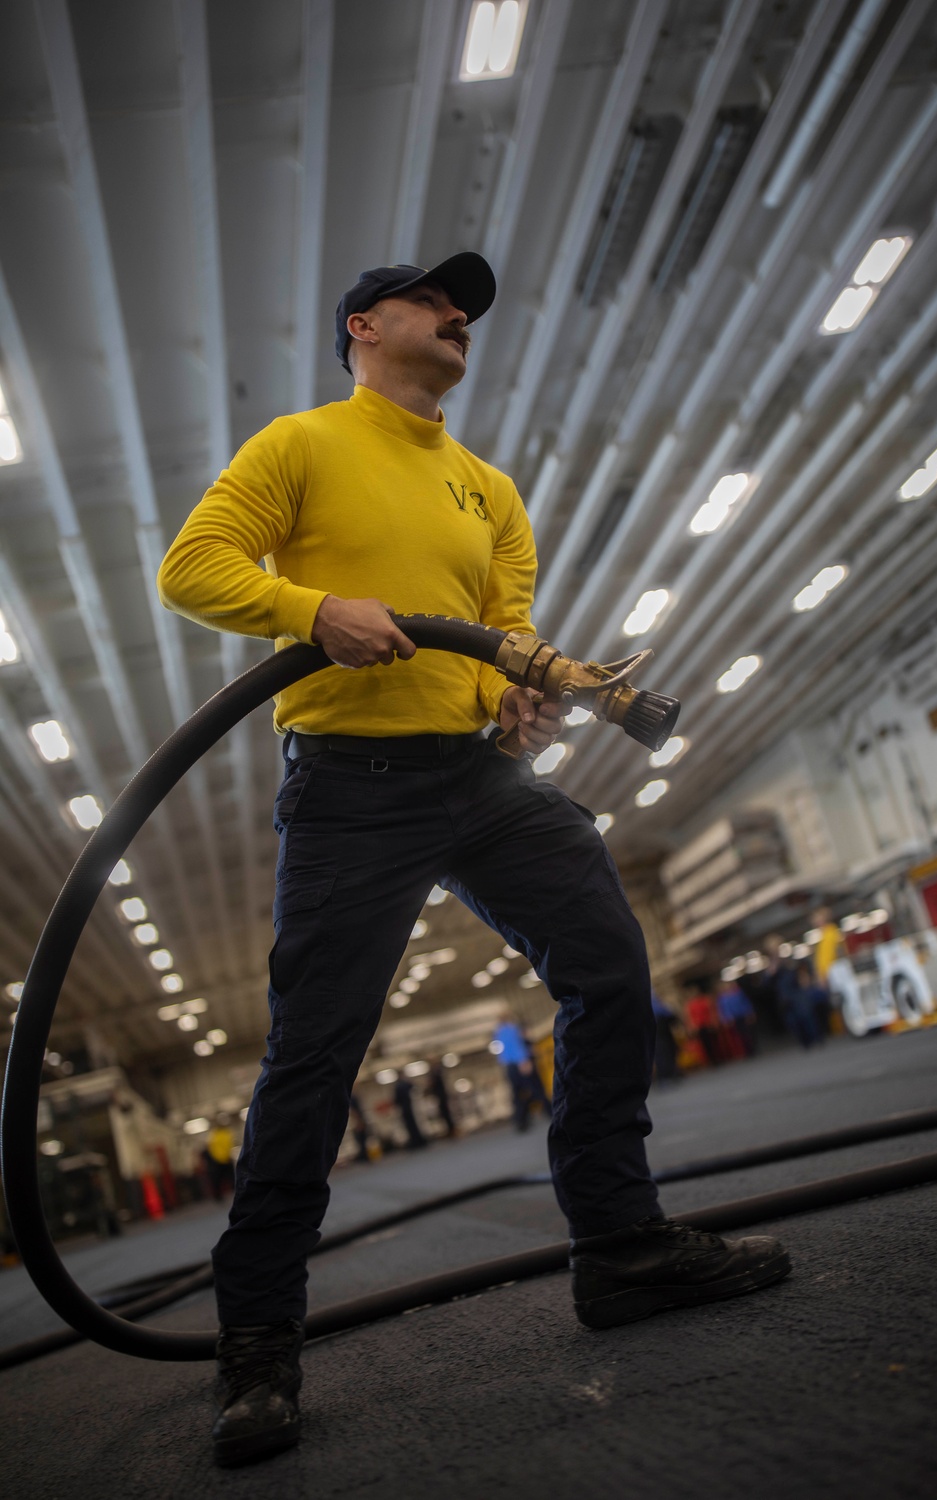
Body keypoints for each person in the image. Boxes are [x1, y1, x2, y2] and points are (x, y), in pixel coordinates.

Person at [158, 251, 790, 1468]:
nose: (459, 319)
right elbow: (193, 568)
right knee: (314, 1056)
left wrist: (520, 699)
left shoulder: (486, 486)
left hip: (480, 782)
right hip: (349, 795)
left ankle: (621, 1249)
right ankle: (258, 1348)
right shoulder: (298, 447)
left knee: (608, 965)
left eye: (467, 313)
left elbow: (510, 633)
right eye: (435, 303)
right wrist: (312, 610)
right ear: (364, 325)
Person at [492, 1010, 551, 1131]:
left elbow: (502, 1053)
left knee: (518, 1095)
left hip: (509, 1067)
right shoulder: (512, 1029)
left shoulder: (497, 1033)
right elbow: (517, 1047)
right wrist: (523, 1060)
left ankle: (520, 1121)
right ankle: (552, 1113)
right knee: (537, 1089)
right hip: (520, 1064)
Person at [204, 1116, 236, 1203]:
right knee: (219, 1180)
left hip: (224, 1159)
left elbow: (229, 1145)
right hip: (218, 1160)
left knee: (231, 1178)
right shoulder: (214, 1135)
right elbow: (211, 1148)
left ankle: (236, 1192)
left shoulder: (222, 1134)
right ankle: (219, 1196)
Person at [392, 1075, 427, 1150]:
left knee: (410, 1126)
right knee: (415, 1124)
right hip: (410, 1106)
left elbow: (396, 1100)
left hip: (404, 1108)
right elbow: (415, 1087)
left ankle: (415, 1140)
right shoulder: (406, 1084)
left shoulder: (397, 1086)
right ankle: (418, 1140)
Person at [426, 1057, 457, 1138]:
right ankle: (450, 1129)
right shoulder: (436, 1073)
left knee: (447, 1114)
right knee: (444, 1114)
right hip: (440, 1096)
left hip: (442, 1096)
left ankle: (453, 1130)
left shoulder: (437, 1073)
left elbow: (435, 1085)